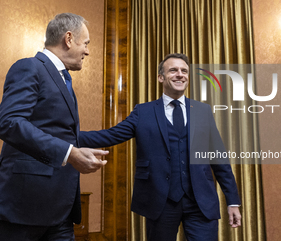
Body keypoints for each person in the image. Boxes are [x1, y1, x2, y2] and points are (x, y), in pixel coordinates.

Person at [79, 53, 241, 241]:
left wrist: (233, 201)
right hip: (160, 202)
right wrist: (66, 137)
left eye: (184, 71)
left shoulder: (203, 111)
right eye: (173, 70)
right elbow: (111, 135)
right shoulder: (144, 111)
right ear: (160, 77)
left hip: (201, 202)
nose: (180, 74)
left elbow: (219, 159)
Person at [0, 13, 108, 240]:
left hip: (61, 208)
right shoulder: (29, 67)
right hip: (26, 207)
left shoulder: (63, 78)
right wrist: (69, 153)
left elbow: (62, 133)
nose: (87, 51)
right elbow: (10, 123)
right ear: (69, 39)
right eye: (86, 44)